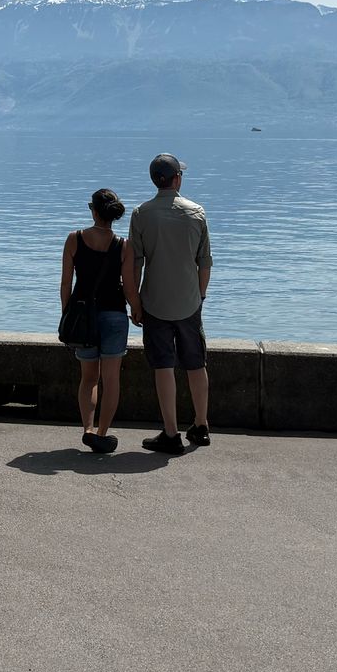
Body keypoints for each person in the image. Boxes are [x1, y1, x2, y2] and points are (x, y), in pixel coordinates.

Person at [124, 153, 212, 454]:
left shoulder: (141, 214)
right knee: (196, 363)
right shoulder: (197, 212)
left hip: (154, 302)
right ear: (177, 179)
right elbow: (205, 263)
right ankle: (201, 425)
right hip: (189, 301)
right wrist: (199, 296)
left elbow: (134, 263)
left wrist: (134, 301)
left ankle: (171, 433)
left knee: (163, 365)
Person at [60, 189, 129, 453]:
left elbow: (66, 282)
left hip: (83, 316)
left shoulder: (74, 239)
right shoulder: (123, 245)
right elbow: (131, 287)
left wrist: (67, 313)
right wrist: (137, 310)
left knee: (89, 378)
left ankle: (87, 429)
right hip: (114, 315)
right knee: (111, 379)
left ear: (94, 210)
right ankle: (102, 433)